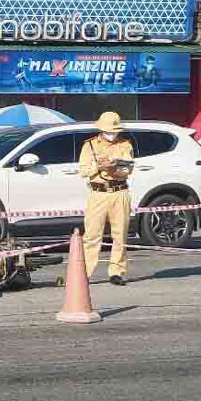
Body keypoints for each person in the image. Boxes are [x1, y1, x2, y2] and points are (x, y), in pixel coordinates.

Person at [78, 112, 134, 286]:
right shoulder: (90, 145)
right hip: (98, 193)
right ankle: (85, 273)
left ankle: (117, 272)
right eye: (109, 131)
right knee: (92, 235)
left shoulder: (125, 145)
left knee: (120, 234)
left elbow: (127, 170)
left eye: (115, 131)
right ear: (101, 130)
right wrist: (99, 166)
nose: (112, 134)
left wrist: (112, 170)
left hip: (120, 192)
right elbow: (84, 170)